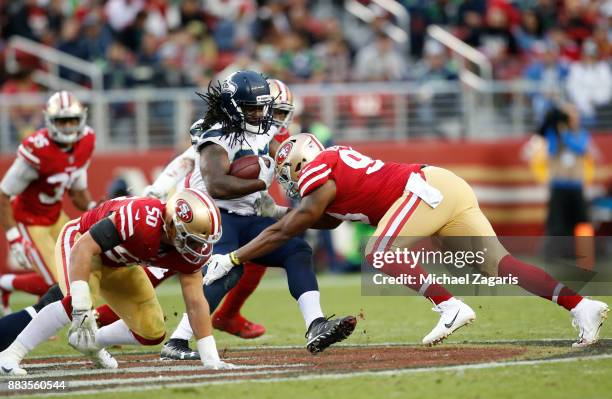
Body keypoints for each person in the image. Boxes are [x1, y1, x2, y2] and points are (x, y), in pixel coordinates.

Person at [204, 133, 609, 348]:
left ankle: (449, 305)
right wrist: (279, 214)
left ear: (300, 163)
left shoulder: (320, 169)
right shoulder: (331, 169)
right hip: (443, 186)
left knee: (377, 252)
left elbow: (298, 222)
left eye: (290, 173)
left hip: (425, 188)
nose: (290, 182)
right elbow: (321, 219)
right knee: (499, 266)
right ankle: (581, 304)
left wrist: (236, 257)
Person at [159, 71, 356, 360]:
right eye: (251, 107)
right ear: (233, 106)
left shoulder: (262, 129)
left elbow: (285, 159)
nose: (259, 114)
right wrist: (261, 183)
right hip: (212, 215)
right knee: (227, 269)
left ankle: (315, 323)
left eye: (261, 107)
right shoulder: (215, 133)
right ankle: (177, 341)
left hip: (247, 215)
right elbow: (217, 184)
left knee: (297, 249)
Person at [0, 189, 232, 375]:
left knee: (151, 329)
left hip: (119, 262)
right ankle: (10, 355)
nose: (198, 248)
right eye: (191, 240)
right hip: (82, 245)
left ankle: (90, 343)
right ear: (172, 225)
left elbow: (195, 302)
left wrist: (211, 358)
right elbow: (84, 247)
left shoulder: (189, 249)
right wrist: (83, 306)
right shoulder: (140, 218)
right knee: (78, 303)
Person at [143, 78, 296, 340]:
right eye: (273, 110)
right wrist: (156, 191)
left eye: (280, 111)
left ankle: (229, 314)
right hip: (194, 207)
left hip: (228, 209)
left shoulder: (270, 134)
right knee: (157, 271)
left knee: (259, 249)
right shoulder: (224, 128)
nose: (274, 118)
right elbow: (187, 161)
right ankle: (101, 316)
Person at [0, 91, 97, 314]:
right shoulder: (38, 147)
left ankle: (8, 285)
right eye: (62, 122)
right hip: (29, 220)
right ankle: (11, 290)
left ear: (81, 119)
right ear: (51, 121)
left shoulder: (86, 141)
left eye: (72, 121)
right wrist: (14, 239)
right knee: (59, 281)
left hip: (55, 215)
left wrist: (94, 208)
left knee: (76, 272)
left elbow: (77, 191)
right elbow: (3, 194)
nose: (68, 127)